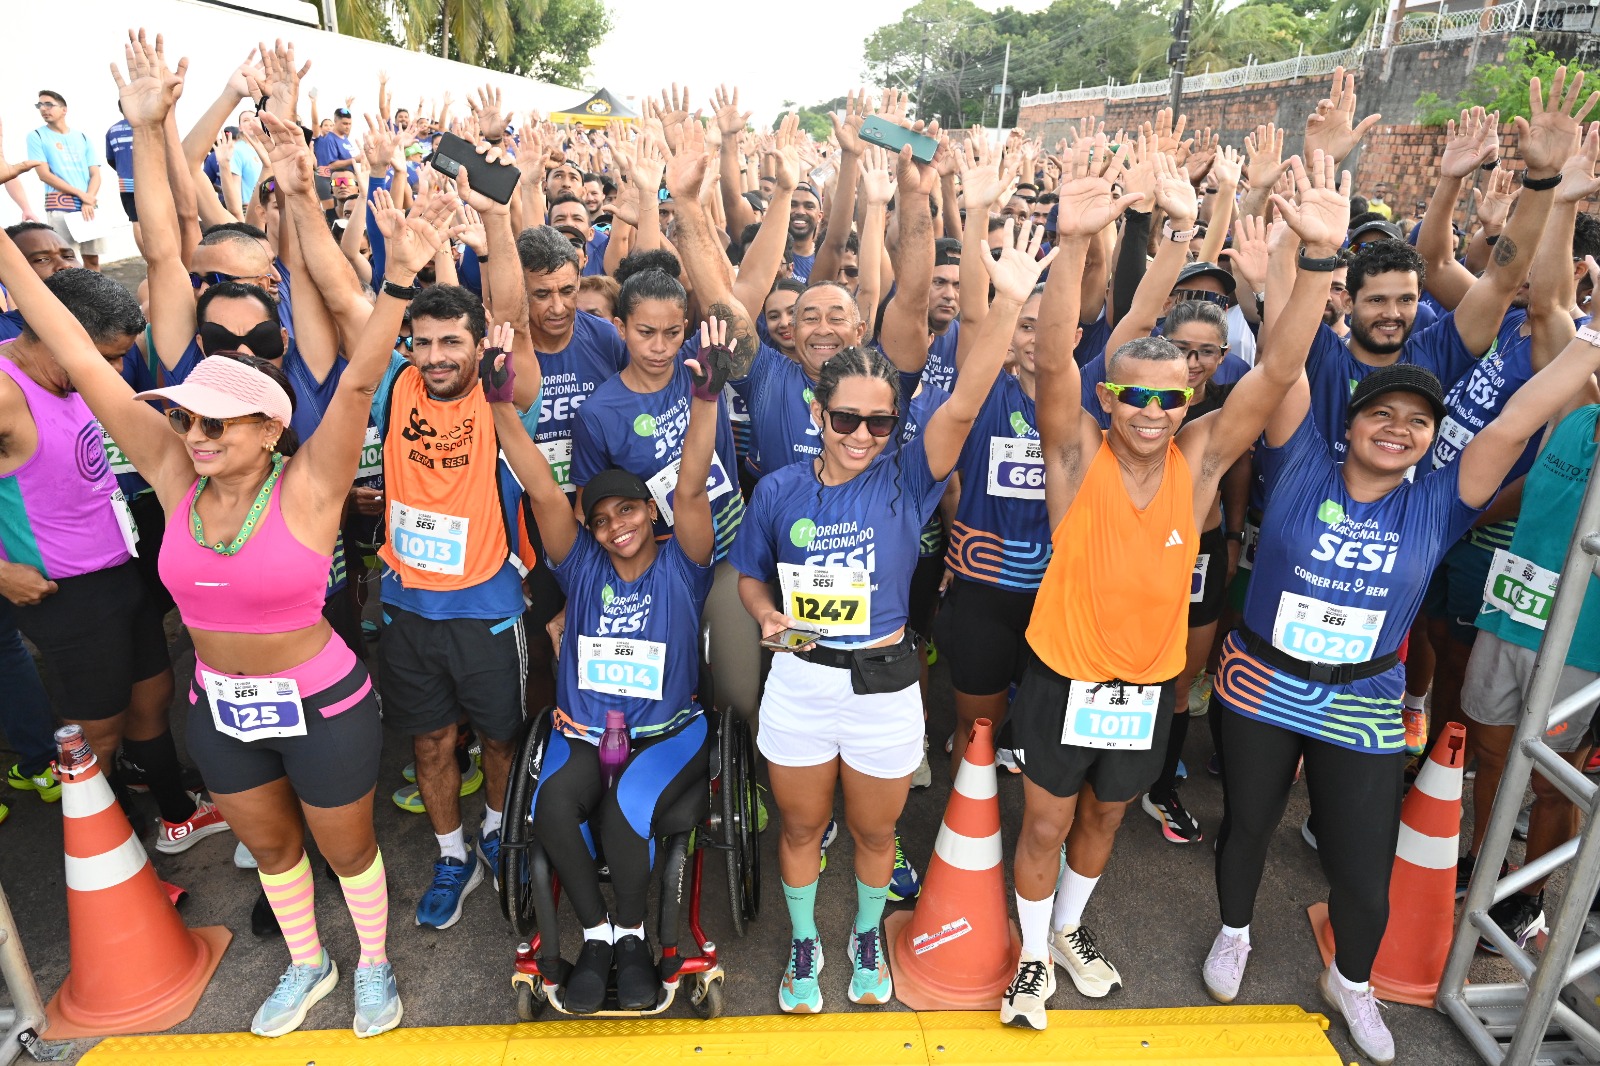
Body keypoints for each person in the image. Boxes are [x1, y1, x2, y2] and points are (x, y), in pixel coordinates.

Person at [26, 42, 455, 1037]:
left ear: (269, 426)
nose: (198, 433)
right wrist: (10, 249)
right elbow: (85, 359)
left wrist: (400, 285)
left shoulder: (309, 484)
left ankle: (375, 968)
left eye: (221, 421)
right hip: (219, 706)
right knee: (270, 853)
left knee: (348, 850)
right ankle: (306, 966)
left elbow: (354, 382)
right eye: (187, 417)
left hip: (324, 702)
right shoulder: (175, 472)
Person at [1203, 99, 1598, 1066]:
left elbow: (1527, 401)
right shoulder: (1301, 461)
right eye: (1386, 415)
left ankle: (1355, 981)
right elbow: (1288, 362)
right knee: (1249, 823)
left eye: (1420, 423)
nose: (1400, 428)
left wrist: (1585, 324)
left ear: (1431, 440)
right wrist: (1306, 256)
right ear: (1356, 419)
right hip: (1261, 679)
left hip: (1367, 701)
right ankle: (1236, 929)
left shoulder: (1439, 499)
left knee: (1362, 858)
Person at [999, 141, 1346, 1030]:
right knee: (1044, 826)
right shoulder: (1076, 451)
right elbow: (1048, 369)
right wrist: (1073, 242)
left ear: (1187, 404)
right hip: (1062, 677)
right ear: (1108, 398)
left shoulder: (1197, 462)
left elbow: (1273, 374)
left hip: (1146, 685)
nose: (1152, 415)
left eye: (1169, 401)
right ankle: (1031, 957)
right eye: (1134, 399)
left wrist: (1315, 263)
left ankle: (1070, 931)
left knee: (1105, 824)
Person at [732, 217, 1053, 1014]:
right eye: (846, 420)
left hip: (883, 688)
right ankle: (806, 944)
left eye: (880, 422)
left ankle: (866, 933)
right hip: (801, 681)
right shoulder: (776, 492)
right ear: (817, 414)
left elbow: (969, 396)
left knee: (877, 837)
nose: (863, 436)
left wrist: (1008, 303)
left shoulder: (906, 479)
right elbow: (746, 577)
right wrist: (769, 615)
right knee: (801, 831)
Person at [495, 318, 725, 1014]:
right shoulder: (585, 564)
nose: (617, 525)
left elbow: (689, 487)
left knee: (628, 814)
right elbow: (539, 488)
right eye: (602, 518)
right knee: (553, 812)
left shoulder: (683, 562)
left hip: (665, 733)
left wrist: (708, 398)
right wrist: (500, 404)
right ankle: (596, 938)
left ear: (648, 515)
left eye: (629, 511)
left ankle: (632, 937)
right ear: (590, 529)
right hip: (583, 733)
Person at [1139, 299, 1251, 845]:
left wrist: (1231, 535)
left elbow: (1236, 469)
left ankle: (1159, 785)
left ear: (1223, 355)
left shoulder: (1228, 407)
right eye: (1182, 348)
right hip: (1138, 545)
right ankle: (1107, 771)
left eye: (1206, 351)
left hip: (1200, 549)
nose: (1193, 360)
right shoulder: (1138, 403)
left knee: (1183, 677)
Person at [27, 90, 105, 270]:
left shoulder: (82, 137)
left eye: (48, 104)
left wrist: (89, 199)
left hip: (88, 208)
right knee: (65, 262)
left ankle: (96, 298)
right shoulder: (36, 136)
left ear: (64, 110)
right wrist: (81, 195)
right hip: (61, 207)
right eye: (39, 105)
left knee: (92, 260)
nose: (43, 109)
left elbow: (95, 173)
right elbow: (44, 174)